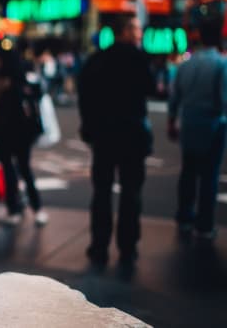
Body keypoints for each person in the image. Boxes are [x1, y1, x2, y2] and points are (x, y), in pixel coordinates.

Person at [78, 14, 154, 267]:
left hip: (104, 137)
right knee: (131, 193)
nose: (139, 32)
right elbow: (150, 88)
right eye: (135, 28)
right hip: (132, 136)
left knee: (101, 191)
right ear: (125, 31)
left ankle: (99, 246)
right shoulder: (138, 58)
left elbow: (85, 97)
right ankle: (128, 246)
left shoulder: (98, 59)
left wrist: (89, 128)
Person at [167, 18, 227, 240]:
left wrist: (172, 120)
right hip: (213, 124)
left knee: (188, 173)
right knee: (209, 176)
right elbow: (224, 99)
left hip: (189, 123)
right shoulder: (221, 64)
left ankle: (184, 218)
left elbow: (175, 97)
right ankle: (204, 224)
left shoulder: (186, 64)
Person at [0, 41, 48, 226]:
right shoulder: (26, 81)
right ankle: (37, 209)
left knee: (9, 171)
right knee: (25, 170)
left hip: (4, 134)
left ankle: (14, 209)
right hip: (24, 134)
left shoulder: (0, 84)